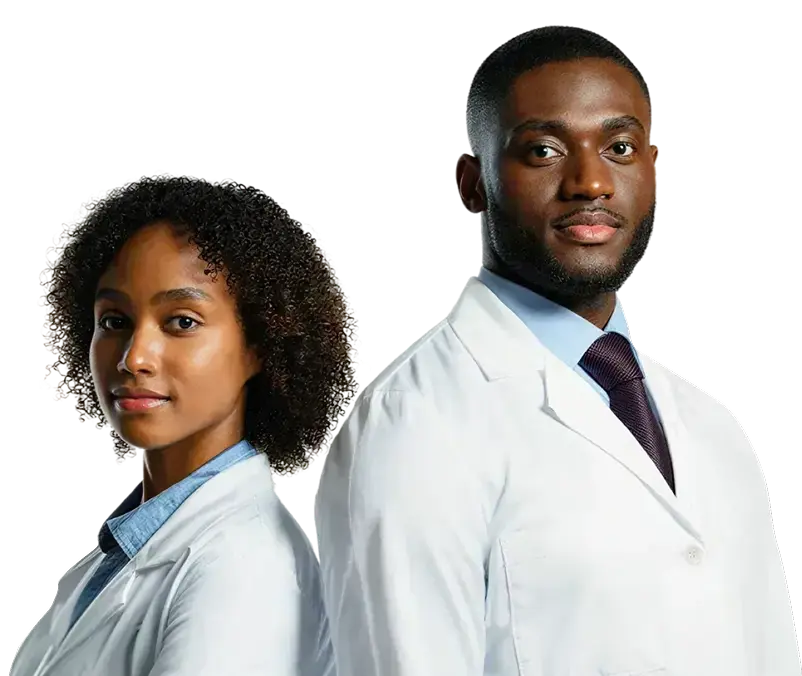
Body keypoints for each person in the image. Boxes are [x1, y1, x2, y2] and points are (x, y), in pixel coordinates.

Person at [316, 25, 800, 675]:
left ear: (654, 172)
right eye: (543, 150)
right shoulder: (415, 425)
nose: (590, 182)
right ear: (471, 183)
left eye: (620, 147)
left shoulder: (712, 428)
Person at [16, 172, 359, 676]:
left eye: (181, 322)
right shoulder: (117, 558)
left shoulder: (242, 567)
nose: (134, 358)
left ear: (261, 344)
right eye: (114, 321)